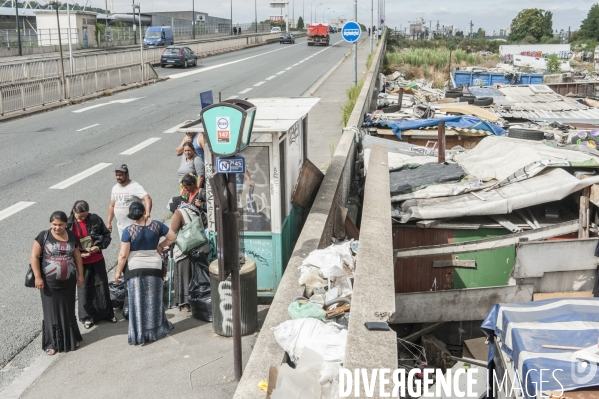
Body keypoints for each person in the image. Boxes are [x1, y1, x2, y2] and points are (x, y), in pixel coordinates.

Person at [115, 202, 177, 345]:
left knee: (138, 301)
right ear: (144, 212)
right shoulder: (157, 225)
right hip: (155, 267)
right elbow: (173, 237)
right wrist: (160, 245)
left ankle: (140, 332)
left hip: (135, 269)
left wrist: (118, 272)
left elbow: (123, 255)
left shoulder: (128, 231)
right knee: (154, 299)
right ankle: (156, 329)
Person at [30, 211, 84, 355]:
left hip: (69, 282)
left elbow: (77, 255)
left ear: (66, 224)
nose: (57, 227)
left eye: (60, 224)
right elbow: (34, 256)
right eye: (54, 224)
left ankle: (71, 339)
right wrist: (38, 277)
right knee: (51, 313)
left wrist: (80, 274)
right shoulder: (43, 236)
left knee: (69, 311)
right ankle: (52, 343)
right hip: (49, 283)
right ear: (50, 224)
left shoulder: (72, 236)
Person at [67, 200, 116, 329]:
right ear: (73, 212)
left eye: (85, 215)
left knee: (102, 287)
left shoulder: (95, 219)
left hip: (97, 258)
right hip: (80, 261)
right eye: (80, 216)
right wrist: (77, 255)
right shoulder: (68, 225)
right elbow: (65, 246)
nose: (83, 218)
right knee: (84, 289)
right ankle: (87, 317)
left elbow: (106, 235)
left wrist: (98, 247)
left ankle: (107, 314)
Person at [168, 174, 209, 308]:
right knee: (193, 276)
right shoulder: (193, 209)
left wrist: (165, 246)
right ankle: (195, 300)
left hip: (185, 250)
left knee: (184, 275)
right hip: (198, 247)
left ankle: (185, 302)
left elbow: (172, 233)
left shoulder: (179, 213)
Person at [107, 164, 152, 239]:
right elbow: (112, 205)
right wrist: (109, 222)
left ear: (127, 174)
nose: (118, 177)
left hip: (135, 226)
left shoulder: (134, 186)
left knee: (137, 248)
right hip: (121, 227)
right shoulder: (115, 188)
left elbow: (147, 198)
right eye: (116, 175)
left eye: (120, 175)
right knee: (125, 248)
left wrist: (147, 214)